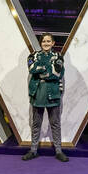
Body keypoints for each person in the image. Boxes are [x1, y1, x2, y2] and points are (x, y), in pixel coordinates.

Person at [23, 33, 68, 162]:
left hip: (53, 95)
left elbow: (57, 73)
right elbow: (32, 68)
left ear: (53, 43)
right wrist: (47, 69)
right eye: (44, 41)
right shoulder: (33, 56)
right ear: (40, 43)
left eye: (49, 41)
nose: (46, 43)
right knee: (36, 124)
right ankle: (33, 150)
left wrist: (41, 71)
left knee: (55, 123)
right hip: (37, 95)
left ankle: (59, 151)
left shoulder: (58, 56)